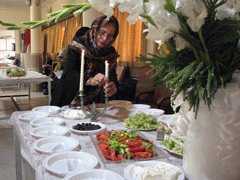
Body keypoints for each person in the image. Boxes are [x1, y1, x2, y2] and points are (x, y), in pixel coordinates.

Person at [50, 15, 120, 107]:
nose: (105, 38)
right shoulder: (77, 46)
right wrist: (90, 80)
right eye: (102, 32)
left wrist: (112, 87)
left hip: (96, 105)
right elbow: (69, 74)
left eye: (110, 36)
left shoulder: (110, 53)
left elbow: (112, 77)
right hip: (70, 99)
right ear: (95, 29)